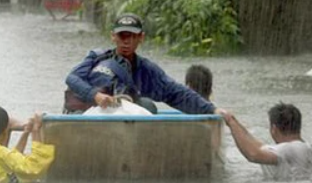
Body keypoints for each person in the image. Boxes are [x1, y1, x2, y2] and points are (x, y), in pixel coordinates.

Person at [64, 13, 225, 115]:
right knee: (77, 116)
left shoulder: (146, 70)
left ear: (141, 38)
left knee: (149, 107)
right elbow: (72, 78)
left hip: (124, 124)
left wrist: (212, 110)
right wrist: (96, 96)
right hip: (89, 114)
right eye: (122, 36)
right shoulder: (96, 57)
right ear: (113, 36)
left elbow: (176, 92)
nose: (127, 41)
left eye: (132, 36)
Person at [222, 103, 312, 181]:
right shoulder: (304, 146)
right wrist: (234, 122)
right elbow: (258, 147)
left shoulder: (289, 149)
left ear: (274, 129)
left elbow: (253, 154)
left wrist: (230, 121)